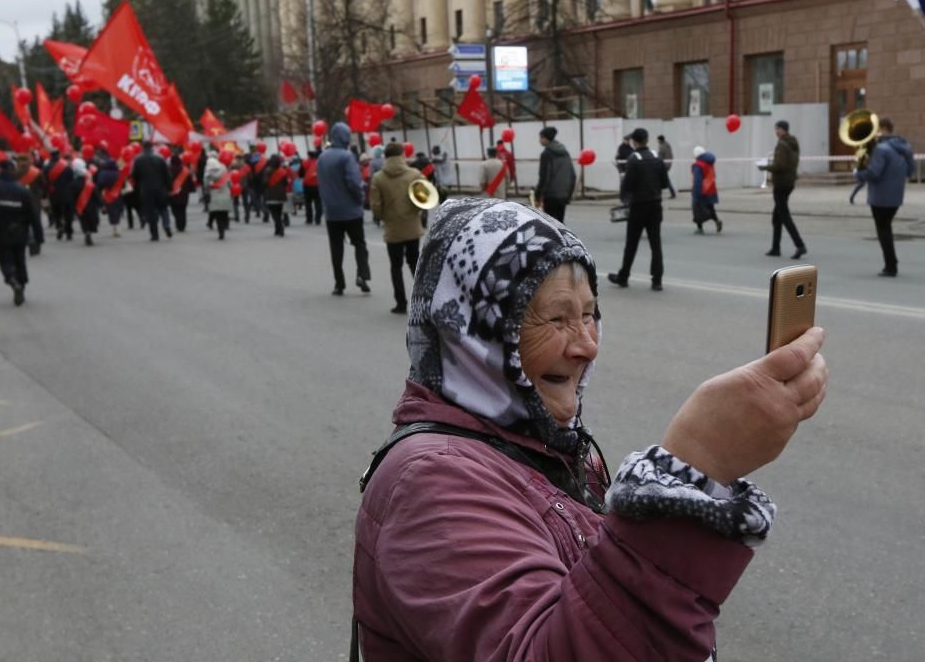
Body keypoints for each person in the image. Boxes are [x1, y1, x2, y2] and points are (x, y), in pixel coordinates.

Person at [352, 197, 829, 662]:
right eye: (556, 318)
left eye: (588, 314)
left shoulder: (535, 439)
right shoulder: (433, 482)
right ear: (472, 330)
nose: (587, 345)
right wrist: (695, 464)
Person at [608, 127, 669, 291]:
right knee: (655, 244)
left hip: (639, 206)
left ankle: (623, 277)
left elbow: (627, 185)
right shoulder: (657, 157)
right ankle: (657, 280)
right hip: (656, 205)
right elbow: (664, 183)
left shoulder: (634, 159)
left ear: (634, 142)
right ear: (647, 140)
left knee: (632, 243)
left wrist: (625, 198)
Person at [370, 142, 425, 314]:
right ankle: (422, 301)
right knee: (415, 264)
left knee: (396, 266)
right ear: (402, 154)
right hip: (411, 227)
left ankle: (401, 303)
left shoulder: (378, 177)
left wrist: (379, 216)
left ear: (385, 156)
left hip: (392, 228)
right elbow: (424, 197)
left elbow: (376, 205)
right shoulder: (415, 174)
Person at [855, 117, 914, 277]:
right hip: (896, 196)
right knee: (886, 227)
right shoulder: (904, 146)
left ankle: (890, 265)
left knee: (883, 230)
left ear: (882, 128)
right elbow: (911, 171)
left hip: (880, 196)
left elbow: (874, 173)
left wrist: (858, 173)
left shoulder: (881, 149)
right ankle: (892, 262)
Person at [317, 122, 371, 296]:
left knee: (336, 247)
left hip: (332, 212)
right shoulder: (346, 157)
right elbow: (354, 183)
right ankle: (362, 275)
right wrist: (361, 199)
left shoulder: (322, 157)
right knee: (359, 244)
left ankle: (339, 283)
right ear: (345, 137)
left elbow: (321, 184)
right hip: (351, 211)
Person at [0, 159, 40, 306]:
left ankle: (11, 279)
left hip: (0, 231)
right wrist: (38, 236)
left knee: (4, 259)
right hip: (20, 232)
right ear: (12, 170)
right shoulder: (22, 190)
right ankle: (21, 286)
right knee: (20, 260)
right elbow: (33, 214)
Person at [759, 120, 806, 259]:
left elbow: (779, 165)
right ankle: (775, 247)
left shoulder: (781, 145)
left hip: (780, 183)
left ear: (783, 130)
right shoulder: (793, 142)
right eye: (776, 129)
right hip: (789, 182)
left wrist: (764, 167)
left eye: (778, 129)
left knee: (784, 215)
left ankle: (800, 245)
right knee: (776, 217)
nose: (776, 131)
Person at [131, 140, 173, 241]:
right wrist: (169, 187)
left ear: (143, 147)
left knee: (150, 211)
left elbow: (134, 175)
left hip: (146, 189)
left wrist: (137, 187)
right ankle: (166, 225)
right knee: (163, 208)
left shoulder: (138, 159)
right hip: (160, 188)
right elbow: (167, 174)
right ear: (152, 147)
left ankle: (155, 234)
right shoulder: (160, 158)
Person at [534, 126, 576, 223]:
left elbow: (544, 177)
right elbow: (573, 175)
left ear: (545, 138)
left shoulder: (546, 154)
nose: (539, 140)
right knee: (560, 224)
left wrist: (538, 195)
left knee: (551, 224)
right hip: (563, 194)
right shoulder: (565, 152)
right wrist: (568, 194)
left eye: (540, 137)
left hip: (551, 195)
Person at [14, 152, 46, 254]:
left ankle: (29, 239)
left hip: (20, 202)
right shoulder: (36, 172)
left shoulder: (14, 173)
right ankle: (37, 241)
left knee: (24, 224)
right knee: (36, 222)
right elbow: (44, 185)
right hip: (34, 201)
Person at [42, 149, 75, 241]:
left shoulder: (46, 167)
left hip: (54, 193)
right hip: (67, 193)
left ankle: (59, 226)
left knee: (57, 212)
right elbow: (71, 179)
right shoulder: (66, 166)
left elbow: (45, 182)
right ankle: (69, 231)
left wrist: (45, 193)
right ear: (59, 155)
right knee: (68, 212)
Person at [690, 146, 722, 234]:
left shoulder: (698, 165)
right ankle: (717, 220)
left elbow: (697, 180)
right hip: (711, 188)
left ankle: (700, 228)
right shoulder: (709, 162)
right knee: (710, 207)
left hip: (701, 190)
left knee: (696, 208)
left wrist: (696, 192)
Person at [70, 159, 101, 247]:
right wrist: (101, 204)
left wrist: (72, 208)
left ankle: (86, 232)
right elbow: (96, 194)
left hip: (80, 206)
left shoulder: (73, 184)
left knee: (83, 220)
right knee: (93, 220)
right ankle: (90, 232)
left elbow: (71, 198)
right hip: (91, 205)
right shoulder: (89, 183)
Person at [203, 155, 232, 240]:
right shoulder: (224, 168)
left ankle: (221, 231)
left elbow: (206, 185)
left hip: (215, 195)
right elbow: (229, 182)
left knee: (218, 215)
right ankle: (225, 225)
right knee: (224, 212)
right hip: (225, 193)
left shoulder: (208, 173)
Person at [263, 154, 291, 237]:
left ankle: (280, 227)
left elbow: (265, 182)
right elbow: (286, 183)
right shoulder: (282, 171)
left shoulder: (267, 170)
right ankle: (277, 229)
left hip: (271, 193)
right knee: (279, 212)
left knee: (273, 213)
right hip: (281, 194)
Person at [96, 158, 125, 237]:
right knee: (118, 211)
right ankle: (117, 227)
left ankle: (114, 227)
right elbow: (123, 184)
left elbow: (100, 184)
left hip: (107, 194)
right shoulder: (119, 173)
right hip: (118, 194)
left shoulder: (103, 173)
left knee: (111, 211)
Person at [168, 154, 196, 233]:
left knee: (175, 209)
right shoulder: (185, 169)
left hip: (173, 193)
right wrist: (192, 189)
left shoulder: (169, 169)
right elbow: (190, 181)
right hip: (184, 193)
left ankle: (178, 222)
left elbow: (167, 181)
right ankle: (182, 225)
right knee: (183, 209)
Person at [300, 149, 322, 225]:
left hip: (307, 185)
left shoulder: (305, 163)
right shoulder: (319, 163)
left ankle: (309, 219)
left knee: (308, 203)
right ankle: (318, 219)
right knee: (318, 202)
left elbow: (301, 174)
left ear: (309, 155)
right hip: (318, 184)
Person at [657, 134, 677, 199]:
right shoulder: (666, 145)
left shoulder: (663, 146)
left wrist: (664, 166)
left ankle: (672, 193)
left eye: (658, 140)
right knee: (662, 179)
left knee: (664, 179)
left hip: (664, 165)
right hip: (665, 165)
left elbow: (662, 156)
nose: (657, 141)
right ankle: (672, 193)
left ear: (660, 140)